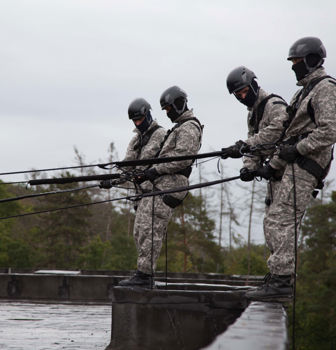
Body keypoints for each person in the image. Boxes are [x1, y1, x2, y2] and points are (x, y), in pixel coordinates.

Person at [246, 36, 336, 300]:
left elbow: (330, 131)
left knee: (281, 219)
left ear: (312, 60)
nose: (294, 66)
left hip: (307, 163)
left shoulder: (325, 88)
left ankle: (282, 281)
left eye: (297, 62)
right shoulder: (302, 92)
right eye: (293, 62)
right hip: (293, 162)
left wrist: (296, 150)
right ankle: (276, 276)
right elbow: (289, 136)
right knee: (273, 218)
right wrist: (271, 167)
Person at [117, 86, 203, 288]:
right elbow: (131, 163)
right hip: (157, 185)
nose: (168, 113)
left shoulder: (189, 127)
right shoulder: (178, 128)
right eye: (164, 109)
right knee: (140, 230)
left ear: (180, 104)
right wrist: (115, 178)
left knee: (150, 229)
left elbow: (181, 158)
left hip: (168, 186)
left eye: (169, 108)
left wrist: (154, 171)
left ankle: (145, 276)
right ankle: (142, 272)